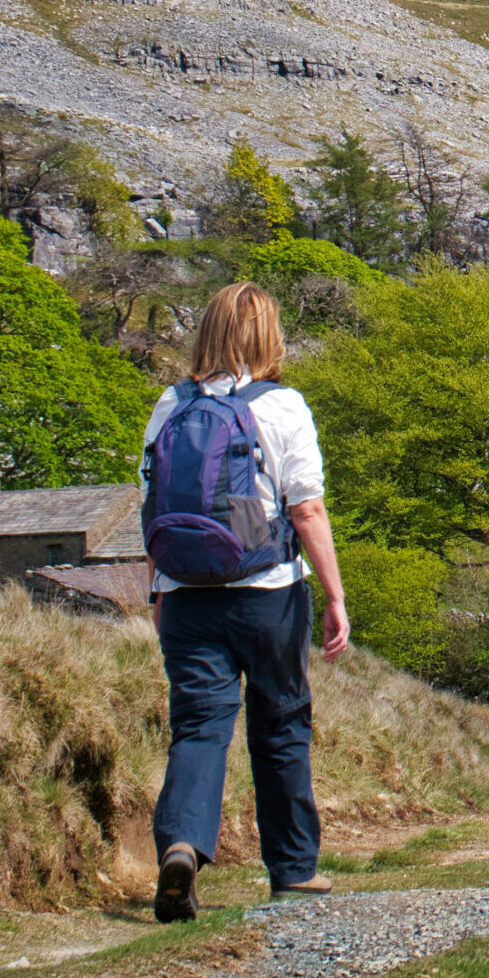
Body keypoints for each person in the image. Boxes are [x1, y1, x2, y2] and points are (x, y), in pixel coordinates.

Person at [143, 281, 351, 922]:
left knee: (199, 726)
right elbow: (306, 509)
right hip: (267, 592)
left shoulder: (169, 404)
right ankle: (292, 871)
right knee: (280, 723)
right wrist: (337, 598)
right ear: (269, 336)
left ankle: (182, 845)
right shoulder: (283, 405)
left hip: (185, 594)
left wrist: (157, 589)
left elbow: (151, 507)